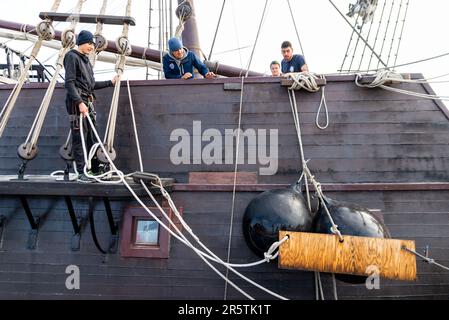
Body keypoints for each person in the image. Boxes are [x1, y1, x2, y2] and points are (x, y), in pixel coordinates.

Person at [64, 30, 117, 182]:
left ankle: (93, 169)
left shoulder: (86, 61)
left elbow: (91, 85)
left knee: (91, 137)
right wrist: (79, 102)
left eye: (93, 44)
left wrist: (110, 83)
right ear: (81, 42)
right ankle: (81, 172)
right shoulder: (72, 57)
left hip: (87, 101)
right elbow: (69, 83)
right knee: (79, 136)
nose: (92, 47)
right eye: (89, 44)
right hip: (76, 103)